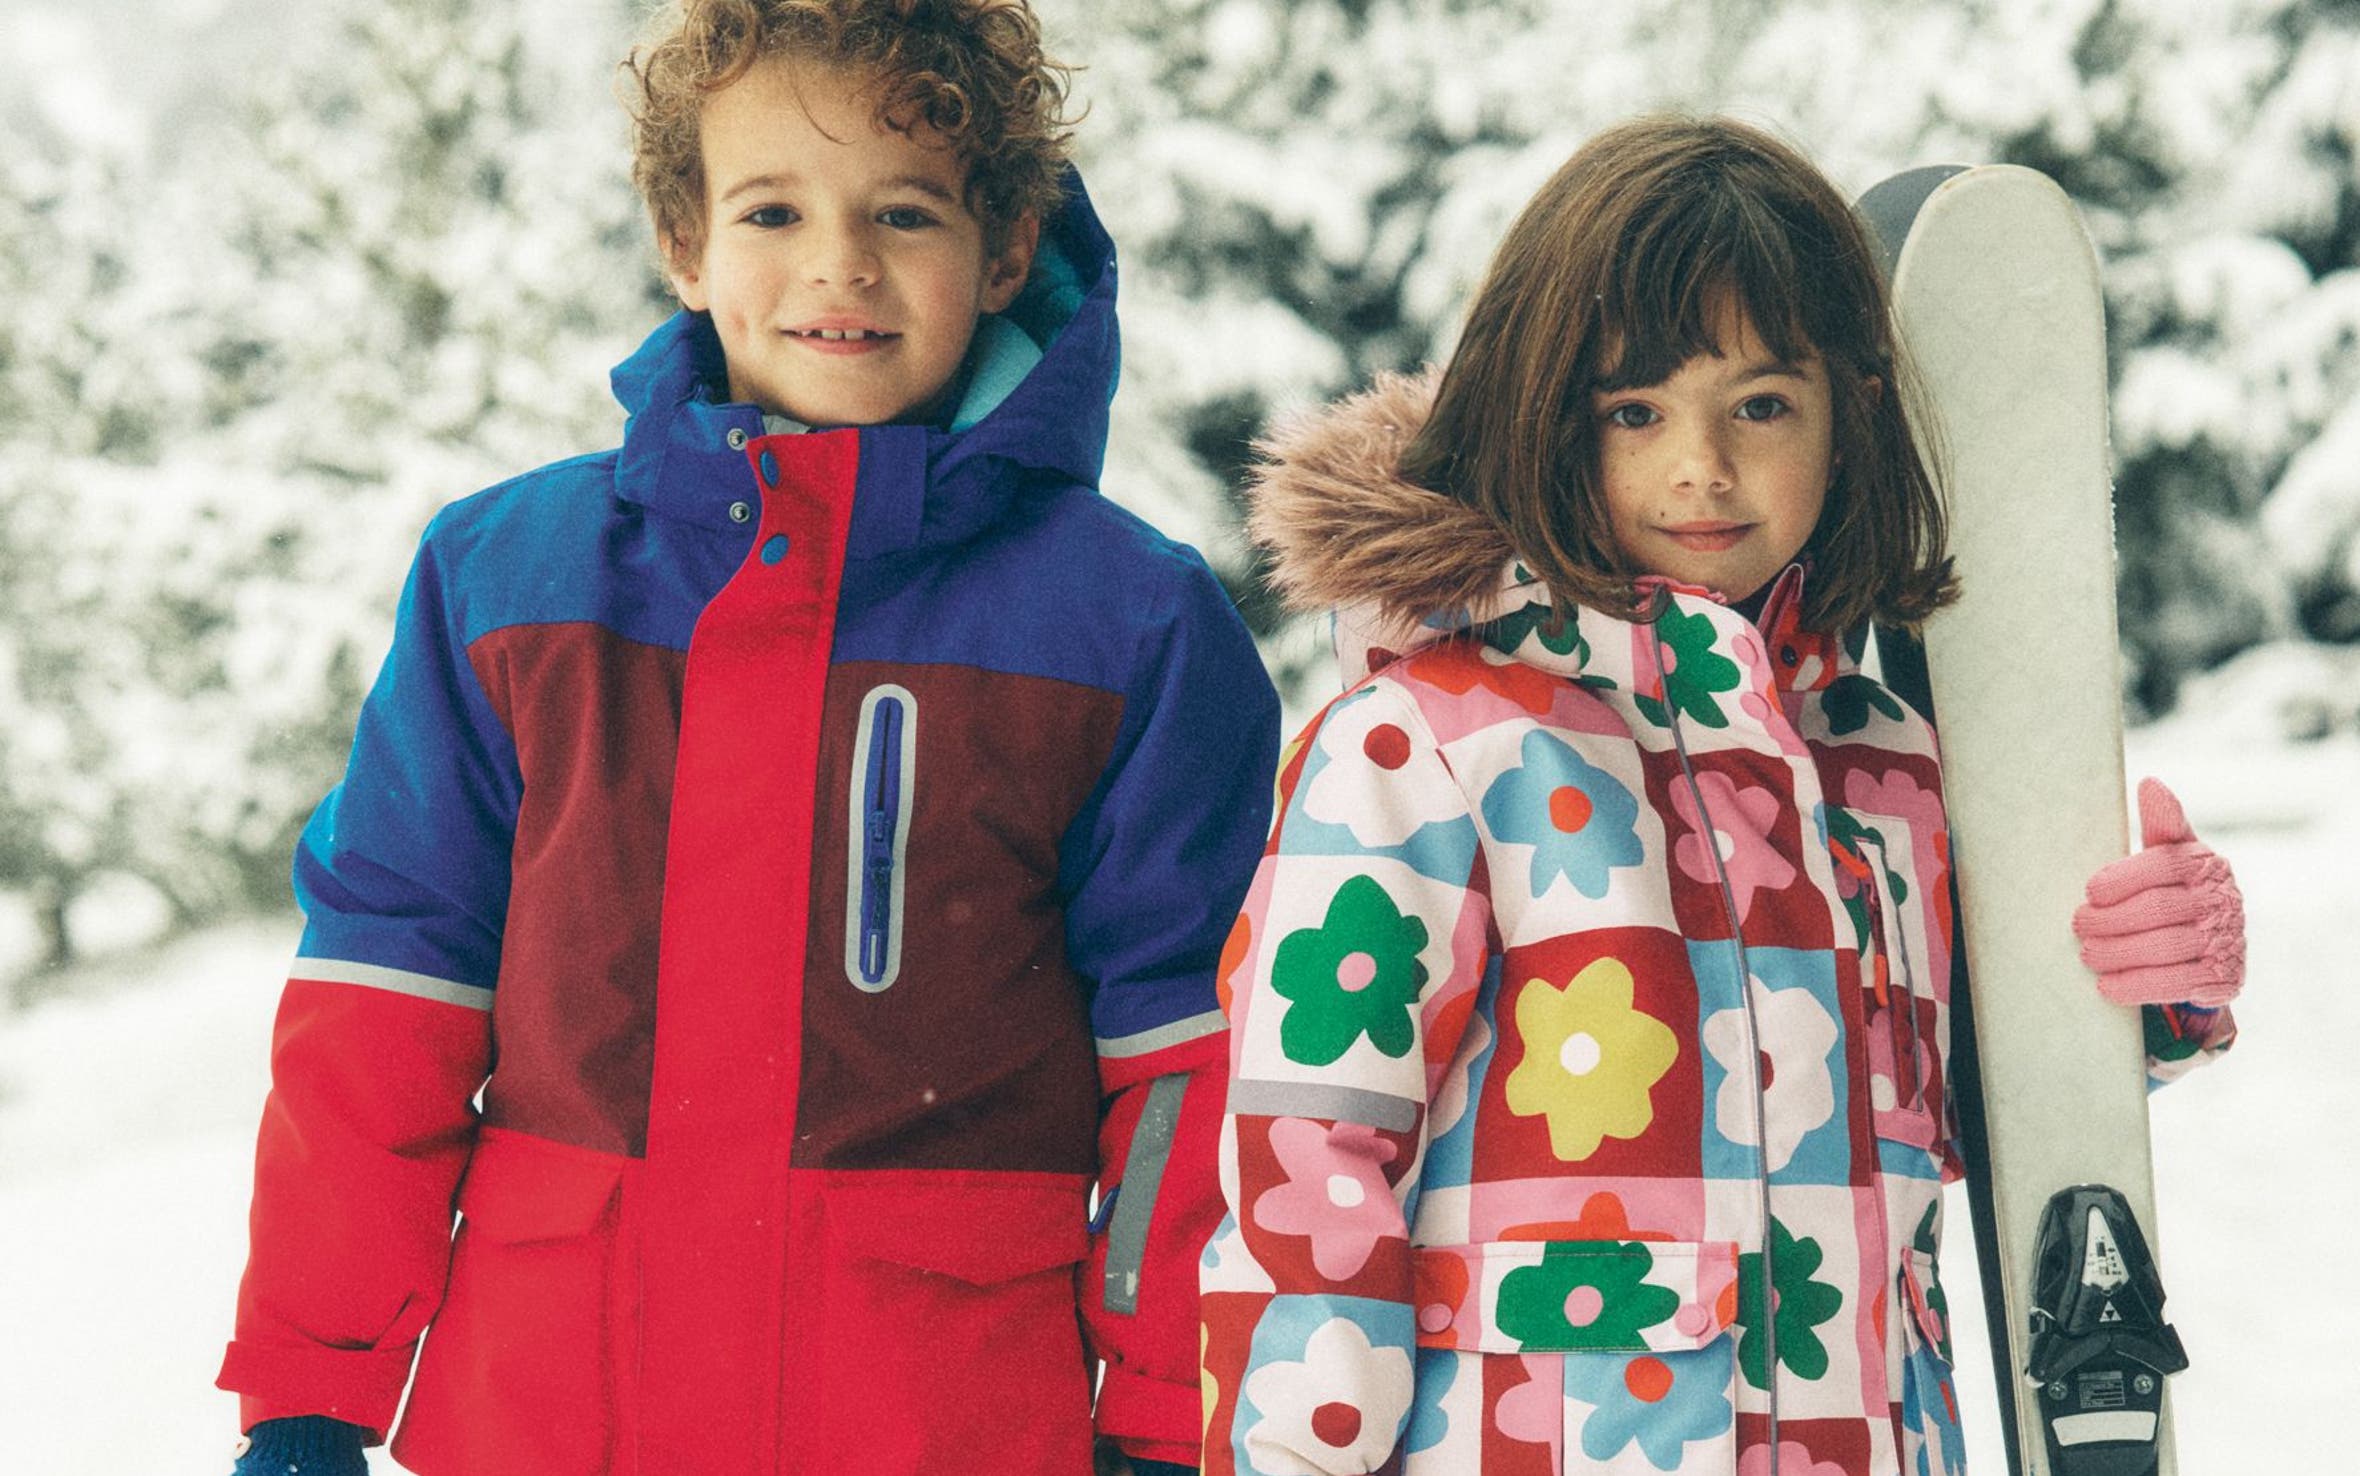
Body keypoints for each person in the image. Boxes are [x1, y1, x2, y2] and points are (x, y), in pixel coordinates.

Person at [215, 2, 1275, 1473]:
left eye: (904, 211)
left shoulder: (1127, 628)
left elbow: (1193, 1072)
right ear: (685, 239)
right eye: (773, 207)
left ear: (1007, 247)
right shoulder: (509, 585)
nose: (840, 263)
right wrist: (314, 1390)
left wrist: (1169, 1413)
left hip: (937, 1419)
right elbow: (384, 1005)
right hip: (554, 1412)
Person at [1197, 116, 2243, 1476]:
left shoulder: (1887, 769)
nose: (1702, 465)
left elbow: (1972, 1111)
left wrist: (2146, 974)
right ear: (1541, 416)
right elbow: (1309, 1163)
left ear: (1849, 413)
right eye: (1635, 411)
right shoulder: (1426, 748)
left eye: (1760, 405)